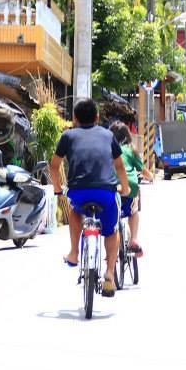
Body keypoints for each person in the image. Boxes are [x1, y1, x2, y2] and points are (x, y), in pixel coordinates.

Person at [49, 99, 130, 298]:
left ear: (74, 118)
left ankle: (74, 253)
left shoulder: (67, 136)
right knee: (110, 231)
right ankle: (109, 275)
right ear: (97, 117)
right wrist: (125, 188)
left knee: (76, 211)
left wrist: (58, 189)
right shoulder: (108, 135)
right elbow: (119, 166)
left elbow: (54, 165)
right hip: (105, 192)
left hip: (78, 191)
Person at [109, 120, 153, 257]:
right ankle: (133, 238)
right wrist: (150, 176)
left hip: (111, 187)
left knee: (111, 216)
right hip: (129, 187)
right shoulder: (131, 150)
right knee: (133, 211)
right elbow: (143, 171)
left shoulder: (106, 150)